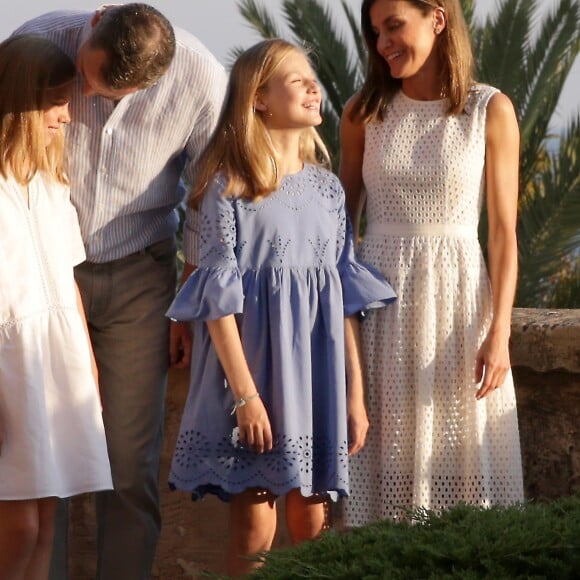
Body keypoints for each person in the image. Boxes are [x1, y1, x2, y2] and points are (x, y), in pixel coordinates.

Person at [165, 38, 396, 576]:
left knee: (314, 525)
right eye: (296, 79)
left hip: (316, 380)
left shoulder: (330, 191)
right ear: (259, 100)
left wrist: (355, 396)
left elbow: (344, 299)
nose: (314, 86)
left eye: (313, 77)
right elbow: (217, 307)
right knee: (254, 531)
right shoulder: (232, 187)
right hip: (256, 379)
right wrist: (245, 396)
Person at [13, 4, 227, 579]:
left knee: (130, 467)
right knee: (39, 461)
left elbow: (210, 197)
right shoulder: (36, 42)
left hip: (140, 279)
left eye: (106, 92)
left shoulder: (202, 78)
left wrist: (190, 300)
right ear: (96, 22)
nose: (85, 94)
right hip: (42, 278)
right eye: (84, 77)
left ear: (149, 83)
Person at [339, 0, 524, 526]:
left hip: (460, 309)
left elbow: (505, 231)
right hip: (379, 313)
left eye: (394, 26)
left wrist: (501, 331)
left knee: (462, 469)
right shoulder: (363, 112)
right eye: (375, 32)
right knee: (383, 469)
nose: (383, 44)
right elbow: (339, 234)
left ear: (437, 19)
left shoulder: (490, 109)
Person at [0, 34, 113, 580]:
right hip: (10, 369)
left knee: (46, 522)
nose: (68, 116)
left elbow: (67, 281)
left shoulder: (51, 182)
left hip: (58, 363)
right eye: (56, 101)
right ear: (19, 100)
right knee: (16, 526)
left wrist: (86, 369)